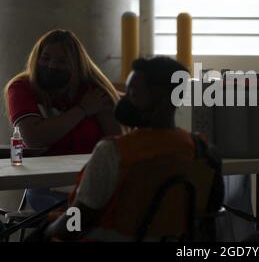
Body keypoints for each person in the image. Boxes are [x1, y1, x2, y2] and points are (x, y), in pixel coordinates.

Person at [43, 57, 224, 242]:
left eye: (133, 93)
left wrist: (46, 230)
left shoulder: (113, 151)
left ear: (162, 101)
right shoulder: (202, 150)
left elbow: (80, 219)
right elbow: (210, 212)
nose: (125, 99)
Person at [4, 29, 122, 212]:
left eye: (62, 61)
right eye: (45, 58)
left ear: (76, 65)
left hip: (91, 180)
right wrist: (82, 110)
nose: (51, 66)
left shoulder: (92, 90)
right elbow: (33, 138)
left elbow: (116, 141)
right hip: (44, 183)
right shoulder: (21, 88)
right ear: (36, 59)